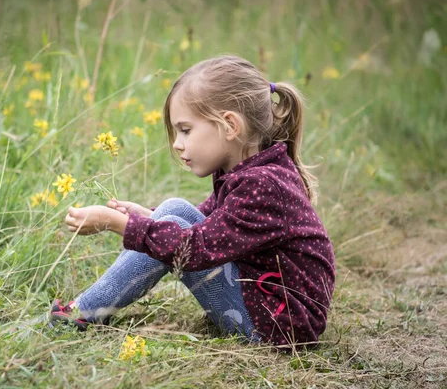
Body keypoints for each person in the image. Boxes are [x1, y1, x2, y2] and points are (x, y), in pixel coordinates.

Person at [53, 55, 335, 349]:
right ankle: (87, 309)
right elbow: (204, 224)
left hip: (277, 327)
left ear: (229, 126)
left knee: (173, 227)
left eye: (186, 130)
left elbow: (195, 249)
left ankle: (82, 313)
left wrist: (119, 224)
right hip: (267, 307)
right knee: (172, 209)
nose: (177, 143)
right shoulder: (248, 172)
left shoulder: (261, 185)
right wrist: (148, 217)